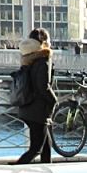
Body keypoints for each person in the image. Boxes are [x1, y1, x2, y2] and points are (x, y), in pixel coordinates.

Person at [15, 27, 57, 164]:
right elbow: (43, 86)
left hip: (27, 107)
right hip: (38, 110)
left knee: (46, 145)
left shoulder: (28, 59)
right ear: (44, 42)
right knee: (36, 148)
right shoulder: (44, 59)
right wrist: (54, 100)